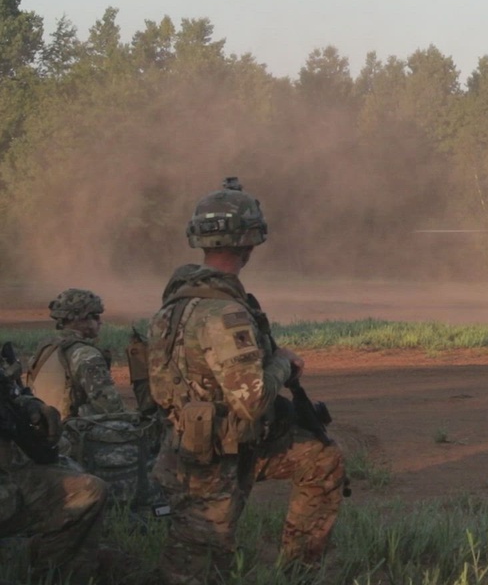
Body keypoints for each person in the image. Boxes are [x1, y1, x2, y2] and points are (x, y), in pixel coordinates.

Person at [147, 177, 345, 584]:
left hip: (202, 445)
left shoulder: (176, 302)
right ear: (250, 244)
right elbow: (251, 399)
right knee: (197, 568)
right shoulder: (225, 313)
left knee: (322, 458)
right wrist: (284, 366)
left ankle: (298, 573)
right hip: (212, 460)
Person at [0, 343, 110, 582]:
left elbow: (12, 393)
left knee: (88, 487)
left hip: (10, 473)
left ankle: (53, 573)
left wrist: (35, 408)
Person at [27, 288, 126, 420]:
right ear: (79, 319)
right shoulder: (85, 354)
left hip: (45, 429)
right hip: (71, 432)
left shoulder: (45, 348)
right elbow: (110, 407)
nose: (100, 321)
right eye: (95, 316)